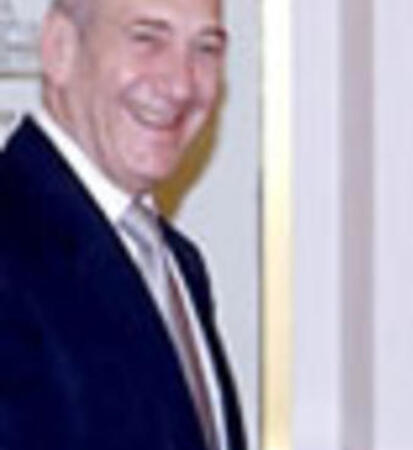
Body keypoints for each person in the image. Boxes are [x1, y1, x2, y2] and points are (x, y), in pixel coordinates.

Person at [0, 0, 245, 448]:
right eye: (147, 38)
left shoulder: (178, 263)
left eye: (206, 48)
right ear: (59, 48)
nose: (181, 85)